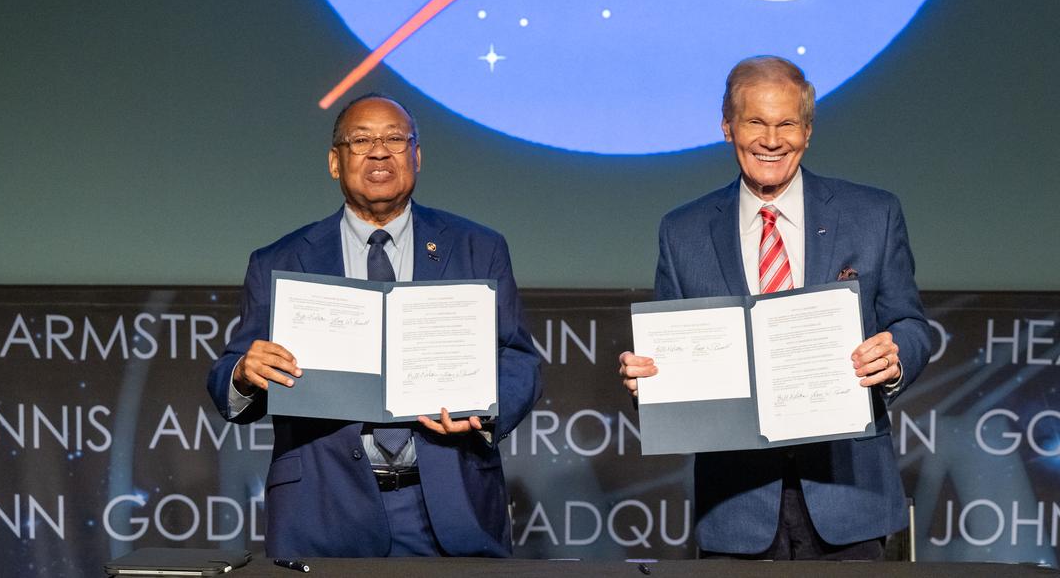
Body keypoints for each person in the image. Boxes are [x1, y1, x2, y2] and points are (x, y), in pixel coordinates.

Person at [618, 56, 931, 560]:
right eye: (755, 122)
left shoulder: (873, 214)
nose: (771, 139)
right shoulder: (683, 231)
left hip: (849, 494)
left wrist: (895, 357)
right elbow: (673, 359)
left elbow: (911, 323)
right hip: (736, 505)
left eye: (787, 123)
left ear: (807, 131)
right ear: (727, 127)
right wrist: (649, 383)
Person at [207, 93, 542, 558]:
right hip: (322, 509)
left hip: (449, 505)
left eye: (395, 139)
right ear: (335, 162)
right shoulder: (280, 260)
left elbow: (518, 359)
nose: (379, 152)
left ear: (417, 156)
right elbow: (228, 377)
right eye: (361, 140)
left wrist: (484, 411)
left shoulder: (477, 247)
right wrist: (245, 372)